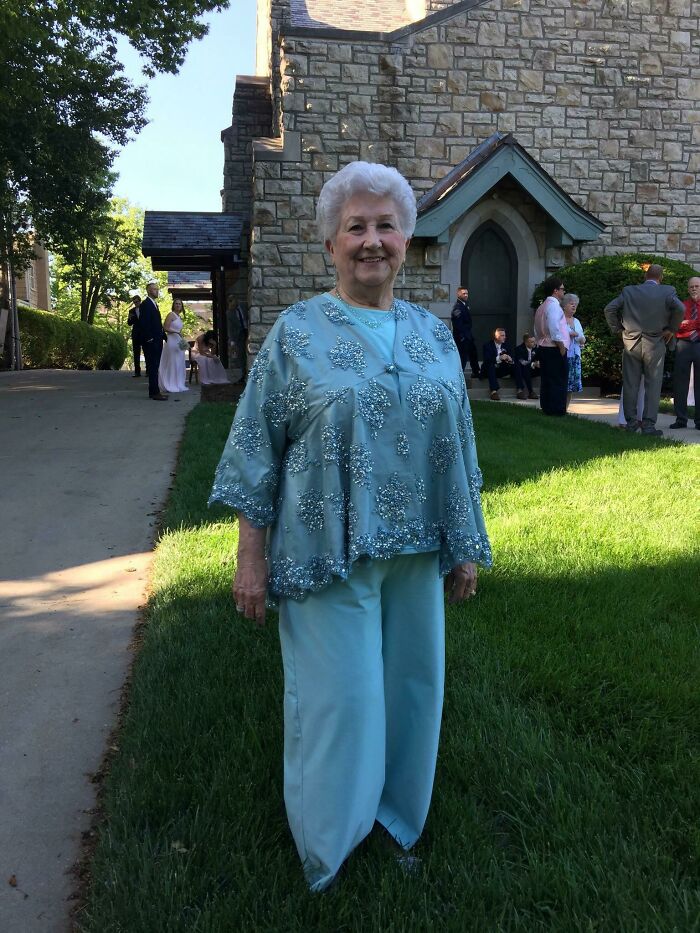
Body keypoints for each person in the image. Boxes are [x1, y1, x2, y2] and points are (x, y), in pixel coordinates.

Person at [209, 161, 492, 894]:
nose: (373, 240)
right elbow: (254, 446)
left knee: (412, 688)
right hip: (325, 548)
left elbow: (458, 446)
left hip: (419, 549)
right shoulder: (296, 333)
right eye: (356, 227)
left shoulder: (433, 335)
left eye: (386, 225)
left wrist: (466, 546)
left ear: (407, 237)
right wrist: (251, 553)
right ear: (331, 244)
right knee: (343, 702)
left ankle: (397, 821)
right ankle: (328, 849)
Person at [604, 263, 684, 435]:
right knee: (653, 385)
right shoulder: (667, 291)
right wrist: (671, 329)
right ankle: (648, 426)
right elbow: (680, 308)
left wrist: (617, 329)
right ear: (660, 277)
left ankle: (631, 423)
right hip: (655, 344)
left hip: (631, 342)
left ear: (645, 276)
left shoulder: (629, 291)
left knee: (630, 384)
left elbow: (609, 308)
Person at [534, 277, 570, 416]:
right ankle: (557, 409)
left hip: (543, 346)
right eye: (562, 289)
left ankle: (547, 407)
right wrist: (561, 347)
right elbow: (555, 328)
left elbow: (536, 329)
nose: (564, 291)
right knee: (558, 379)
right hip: (554, 347)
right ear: (555, 291)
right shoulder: (554, 306)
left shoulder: (541, 306)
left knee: (547, 379)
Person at [670, 276, 700, 430]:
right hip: (683, 345)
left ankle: (699, 421)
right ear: (688, 289)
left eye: (697, 286)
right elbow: (675, 325)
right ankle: (681, 419)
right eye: (691, 287)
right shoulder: (682, 305)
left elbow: (684, 325)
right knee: (680, 383)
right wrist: (693, 325)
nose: (694, 289)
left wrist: (688, 324)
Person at [139, 281, 167, 401]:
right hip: (151, 342)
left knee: (155, 366)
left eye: (157, 289)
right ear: (149, 291)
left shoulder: (154, 304)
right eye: (155, 289)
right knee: (152, 366)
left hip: (157, 339)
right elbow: (144, 323)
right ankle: (154, 392)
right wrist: (149, 338)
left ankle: (154, 391)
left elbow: (157, 324)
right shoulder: (145, 304)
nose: (157, 291)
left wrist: (163, 335)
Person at [481, 327, 526, 400]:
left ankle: (520, 390)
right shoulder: (487, 345)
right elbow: (487, 360)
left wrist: (510, 359)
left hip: (502, 369)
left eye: (504, 335)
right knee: (491, 365)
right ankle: (493, 391)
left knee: (516, 365)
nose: (505, 337)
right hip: (490, 370)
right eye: (502, 335)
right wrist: (499, 358)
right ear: (496, 336)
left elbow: (513, 357)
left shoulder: (507, 345)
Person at [158, 297, 189, 394]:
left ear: (182, 306)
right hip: (171, 340)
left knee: (179, 363)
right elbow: (165, 328)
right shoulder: (171, 315)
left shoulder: (179, 316)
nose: (178, 305)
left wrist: (182, 337)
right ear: (173, 305)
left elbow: (178, 331)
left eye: (180, 304)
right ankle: (169, 383)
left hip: (178, 341)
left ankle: (177, 383)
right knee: (172, 362)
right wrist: (176, 332)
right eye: (176, 303)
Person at [562, 293, 586, 410]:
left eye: (575, 305)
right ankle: (559, 406)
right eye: (571, 304)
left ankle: (565, 409)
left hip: (575, 356)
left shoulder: (576, 321)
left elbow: (581, 336)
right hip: (564, 355)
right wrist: (572, 334)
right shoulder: (560, 319)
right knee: (563, 383)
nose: (574, 307)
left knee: (571, 386)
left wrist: (581, 339)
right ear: (564, 305)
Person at [450, 286, 480, 378]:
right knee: (462, 357)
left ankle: (476, 372)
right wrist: (463, 337)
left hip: (468, 336)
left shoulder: (464, 305)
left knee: (473, 354)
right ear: (458, 294)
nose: (466, 295)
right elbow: (458, 325)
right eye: (464, 293)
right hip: (462, 337)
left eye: (467, 293)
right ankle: (459, 376)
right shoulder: (458, 308)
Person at [514, 334, 539, 399]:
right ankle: (525, 391)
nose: (534, 343)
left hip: (533, 370)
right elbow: (522, 362)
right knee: (521, 366)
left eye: (534, 341)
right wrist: (533, 364)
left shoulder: (536, 349)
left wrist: (539, 363)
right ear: (526, 343)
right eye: (532, 342)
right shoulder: (519, 349)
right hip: (522, 370)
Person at [127, 291, 143, 377]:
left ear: (140, 301)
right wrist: (130, 318)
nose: (136, 303)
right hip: (136, 333)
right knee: (136, 352)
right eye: (134, 302)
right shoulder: (131, 311)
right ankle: (137, 371)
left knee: (147, 352)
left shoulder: (145, 308)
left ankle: (148, 371)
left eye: (137, 302)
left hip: (144, 333)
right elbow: (129, 323)